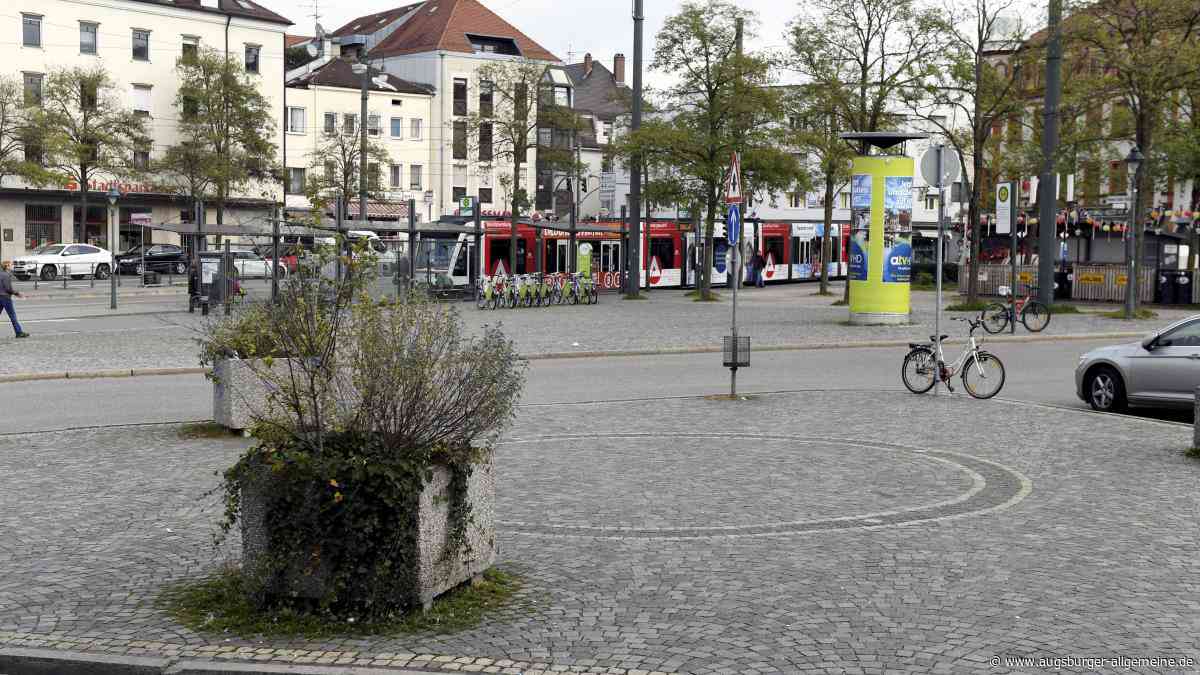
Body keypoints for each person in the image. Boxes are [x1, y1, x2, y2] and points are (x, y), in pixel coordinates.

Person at [0, 261, 30, 338]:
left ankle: (19, 332)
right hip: (5, 298)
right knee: (12, 316)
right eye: (10, 265)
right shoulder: (6, 275)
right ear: (6, 266)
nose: (11, 266)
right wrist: (17, 294)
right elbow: (8, 288)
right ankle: (19, 332)